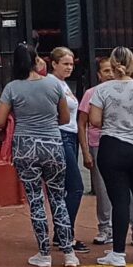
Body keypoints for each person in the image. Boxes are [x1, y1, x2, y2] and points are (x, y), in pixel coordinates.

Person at [0, 42, 77, 267]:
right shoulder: (53, 84)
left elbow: (0, 121)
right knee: (58, 197)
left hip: (25, 147)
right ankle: (69, 252)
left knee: (35, 199)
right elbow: (65, 119)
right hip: (52, 144)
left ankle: (44, 253)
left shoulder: (12, 88)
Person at [85, 47, 133, 267]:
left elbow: (96, 120)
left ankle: (118, 252)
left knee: (119, 200)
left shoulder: (102, 90)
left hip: (113, 146)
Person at [82, 57, 133, 251]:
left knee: (132, 192)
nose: (109, 74)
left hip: (121, 143)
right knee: (103, 191)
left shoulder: (130, 90)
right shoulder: (92, 93)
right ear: (98, 75)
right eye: (105, 71)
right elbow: (84, 122)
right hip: (99, 143)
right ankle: (105, 228)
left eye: (111, 70)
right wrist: (86, 151)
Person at [47, 47, 88, 254]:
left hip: (70, 135)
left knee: (65, 188)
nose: (69, 68)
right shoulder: (53, 84)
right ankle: (66, 232)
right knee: (76, 187)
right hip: (62, 135)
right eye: (65, 64)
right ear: (53, 64)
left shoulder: (63, 84)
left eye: (71, 64)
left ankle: (63, 231)